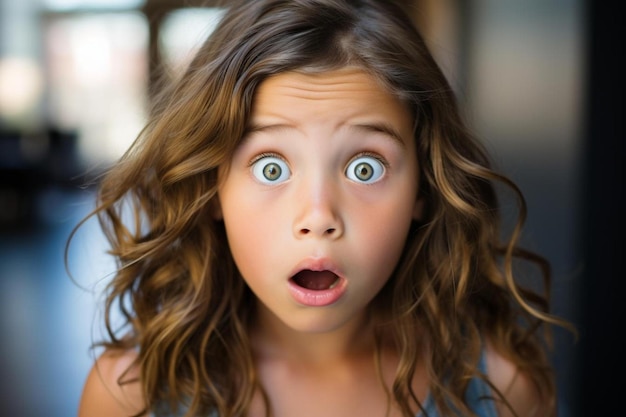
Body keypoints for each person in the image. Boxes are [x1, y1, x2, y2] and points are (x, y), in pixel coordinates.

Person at [73, 0, 573, 416]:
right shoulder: (130, 395)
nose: (318, 216)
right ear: (211, 189)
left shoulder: (502, 388)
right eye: (271, 167)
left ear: (423, 188)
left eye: (365, 168)